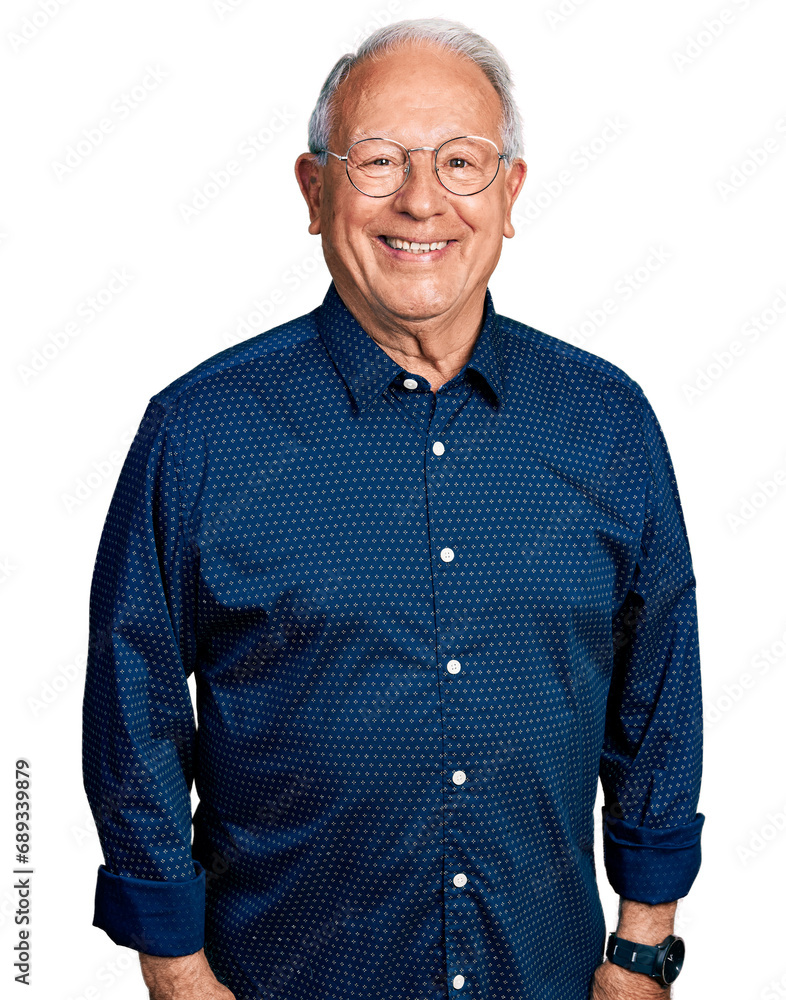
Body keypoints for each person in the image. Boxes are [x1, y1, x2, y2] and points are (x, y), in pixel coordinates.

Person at [82, 17, 705, 1000]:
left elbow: (658, 696)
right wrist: (178, 972)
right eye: (378, 160)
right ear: (314, 187)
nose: (422, 200)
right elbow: (134, 714)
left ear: (510, 195)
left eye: (462, 163)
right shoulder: (199, 434)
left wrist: (643, 947)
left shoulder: (606, 424)